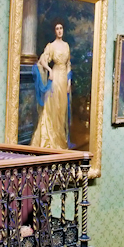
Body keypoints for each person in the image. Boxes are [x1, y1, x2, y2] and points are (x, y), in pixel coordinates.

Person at [30, 20, 71, 150]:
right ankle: (49, 140)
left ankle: (60, 140)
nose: (59, 30)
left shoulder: (66, 46)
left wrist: (69, 82)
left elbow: (68, 64)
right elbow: (42, 60)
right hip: (55, 78)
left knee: (61, 110)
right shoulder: (51, 46)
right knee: (53, 108)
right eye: (57, 28)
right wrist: (50, 70)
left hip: (64, 79)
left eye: (61, 28)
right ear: (55, 31)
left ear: (63, 30)